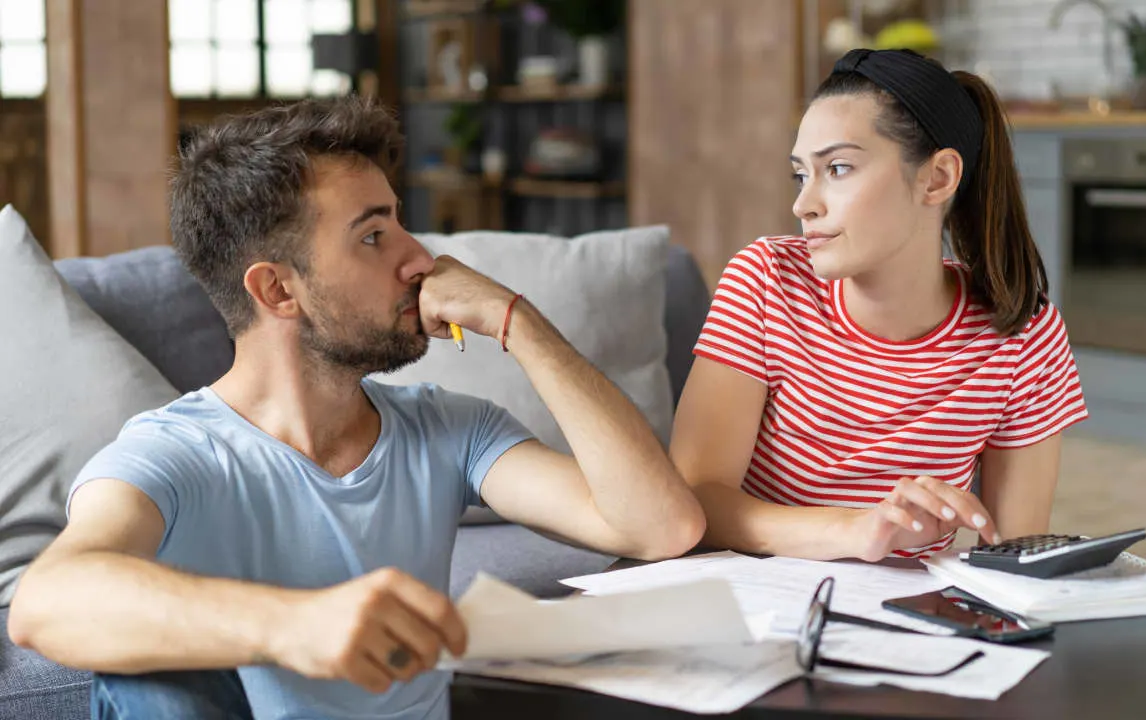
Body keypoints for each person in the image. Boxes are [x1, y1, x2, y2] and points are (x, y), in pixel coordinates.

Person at [8, 96, 705, 720]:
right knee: (150, 684)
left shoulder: (451, 430)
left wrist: (516, 321)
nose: (419, 259)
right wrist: (295, 624)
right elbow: (47, 603)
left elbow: (661, 526)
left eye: (400, 223)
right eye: (373, 237)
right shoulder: (176, 454)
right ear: (278, 291)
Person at [670, 49, 1088, 564]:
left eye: (838, 168)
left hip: (907, 609)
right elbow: (696, 502)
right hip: (762, 595)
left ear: (937, 178)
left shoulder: (1025, 334)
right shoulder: (767, 281)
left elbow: (1011, 555)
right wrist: (855, 531)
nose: (804, 205)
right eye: (801, 175)